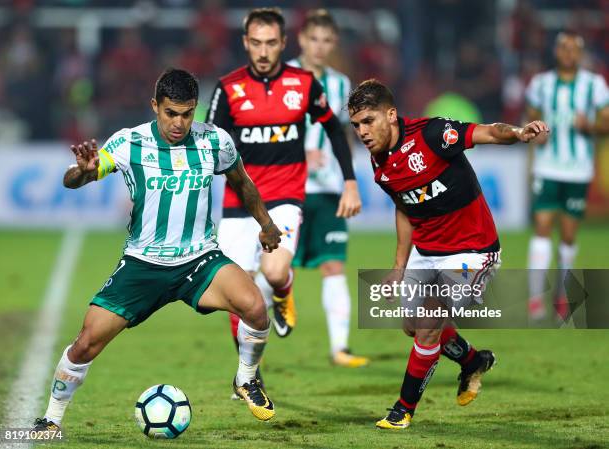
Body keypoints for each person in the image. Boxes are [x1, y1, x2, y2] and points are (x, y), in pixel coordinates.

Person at [33, 68, 282, 432]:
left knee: (257, 309)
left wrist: (267, 223)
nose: (179, 123)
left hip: (198, 259)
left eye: (187, 113)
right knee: (86, 343)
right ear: (155, 106)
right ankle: (51, 419)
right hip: (143, 264)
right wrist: (83, 171)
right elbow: (73, 181)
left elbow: (241, 182)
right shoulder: (128, 142)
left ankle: (245, 378)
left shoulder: (214, 140)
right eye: (171, 113)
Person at [347, 79, 549, 429]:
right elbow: (404, 206)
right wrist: (399, 264)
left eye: (368, 121)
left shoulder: (432, 135)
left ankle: (403, 409)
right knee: (413, 326)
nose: (362, 132)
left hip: (472, 251)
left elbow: (486, 131)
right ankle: (472, 361)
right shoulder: (379, 161)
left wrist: (517, 132)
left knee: (427, 324)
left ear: (391, 115)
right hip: (427, 252)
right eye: (356, 125)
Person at [206, 8, 361, 347]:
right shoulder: (229, 88)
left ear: (283, 44)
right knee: (239, 292)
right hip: (239, 200)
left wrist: (350, 181)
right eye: (257, 43)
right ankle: (249, 375)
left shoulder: (303, 84)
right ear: (246, 42)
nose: (263, 52)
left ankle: (283, 291)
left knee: (275, 272)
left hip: (285, 196)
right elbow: (211, 143)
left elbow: (335, 129)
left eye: (271, 43)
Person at [286, 9, 368, 368]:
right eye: (313, 39)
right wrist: (301, 152)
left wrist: (352, 183)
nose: (319, 47)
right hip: (288, 187)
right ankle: (250, 361)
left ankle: (340, 349)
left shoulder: (341, 85)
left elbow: (346, 136)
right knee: (273, 268)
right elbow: (267, 134)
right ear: (302, 39)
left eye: (326, 41)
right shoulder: (282, 78)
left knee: (334, 266)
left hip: (330, 190)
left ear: (333, 44)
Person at [525, 31, 609, 320]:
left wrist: (590, 127)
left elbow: (606, 125)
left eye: (574, 49)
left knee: (569, 235)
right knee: (542, 226)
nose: (569, 53)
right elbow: (530, 120)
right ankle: (535, 297)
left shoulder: (594, 85)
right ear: (557, 51)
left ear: (580, 54)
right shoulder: (541, 84)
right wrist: (536, 135)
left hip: (578, 170)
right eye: (564, 47)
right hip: (547, 167)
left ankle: (561, 295)